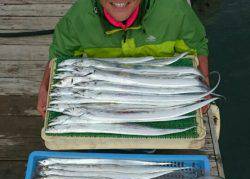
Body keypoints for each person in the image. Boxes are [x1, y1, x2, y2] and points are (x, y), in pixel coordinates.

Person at [37, 0, 209, 117]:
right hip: (105, 96)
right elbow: (61, 54)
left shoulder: (174, 10)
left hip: (157, 92)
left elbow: (195, 45)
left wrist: (204, 83)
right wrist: (46, 86)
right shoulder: (77, 18)